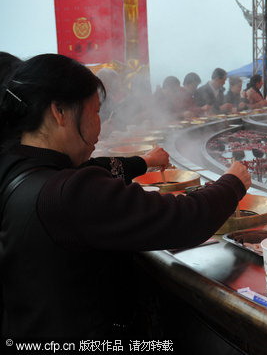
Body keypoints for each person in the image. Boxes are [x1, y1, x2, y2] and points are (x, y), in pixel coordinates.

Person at [0, 54, 251, 338]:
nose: (100, 126)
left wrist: (143, 162)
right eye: (95, 112)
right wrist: (233, 183)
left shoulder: (15, 166)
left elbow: (95, 168)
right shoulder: (69, 194)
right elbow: (181, 219)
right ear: (59, 112)